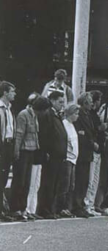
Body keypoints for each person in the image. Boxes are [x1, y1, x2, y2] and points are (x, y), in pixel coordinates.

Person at [8, 93, 42, 221]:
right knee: (19, 181)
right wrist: (16, 151)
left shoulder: (34, 115)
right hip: (23, 151)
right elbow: (19, 134)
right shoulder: (24, 115)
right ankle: (15, 209)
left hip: (31, 150)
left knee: (27, 182)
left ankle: (23, 209)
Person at [37, 90, 68, 219]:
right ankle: (45, 209)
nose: (62, 105)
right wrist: (47, 151)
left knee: (55, 183)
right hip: (52, 155)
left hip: (58, 155)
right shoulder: (48, 114)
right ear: (53, 101)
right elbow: (45, 134)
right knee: (48, 183)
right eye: (60, 102)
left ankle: (50, 208)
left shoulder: (56, 115)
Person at [72, 92, 97, 218]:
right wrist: (92, 143)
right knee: (80, 180)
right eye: (90, 101)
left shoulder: (88, 115)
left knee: (85, 180)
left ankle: (81, 204)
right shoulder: (80, 115)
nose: (92, 103)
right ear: (85, 102)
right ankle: (77, 206)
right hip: (82, 152)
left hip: (87, 153)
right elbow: (81, 134)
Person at [56, 103, 80, 218]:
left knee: (71, 185)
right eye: (75, 113)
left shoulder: (72, 125)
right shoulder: (65, 124)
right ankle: (61, 208)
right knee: (65, 185)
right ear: (70, 114)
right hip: (67, 159)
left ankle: (66, 207)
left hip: (73, 159)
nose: (77, 116)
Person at [0, 81, 16, 220]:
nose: (14, 94)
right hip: (2, 145)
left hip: (9, 145)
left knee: (4, 178)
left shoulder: (9, 109)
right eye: (12, 91)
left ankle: (2, 210)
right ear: (5, 92)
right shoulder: (0, 109)